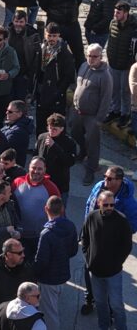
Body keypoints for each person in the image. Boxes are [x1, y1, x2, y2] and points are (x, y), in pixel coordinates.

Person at [80, 189, 130, 330]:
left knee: (116, 305)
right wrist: (88, 258)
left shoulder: (121, 220)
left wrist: (117, 262)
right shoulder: (91, 217)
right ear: (98, 203)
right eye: (106, 204)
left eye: (112, 205)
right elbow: (84, 239)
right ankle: (104, 327)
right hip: (95, 272)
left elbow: (126, 245)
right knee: (101, 304)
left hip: (113, 273)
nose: (109, 208)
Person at [71, 45, 112, 184]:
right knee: (75, 133)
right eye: (89, 55)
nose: (91, 59)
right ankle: (83, 152)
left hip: (92, 115)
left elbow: (106, 99)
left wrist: (99, 119)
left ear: (101, 57)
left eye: (95, 56)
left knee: (93, 143)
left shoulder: (105, 76)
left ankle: (91, 170)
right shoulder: (84, 66)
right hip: (78, 111)